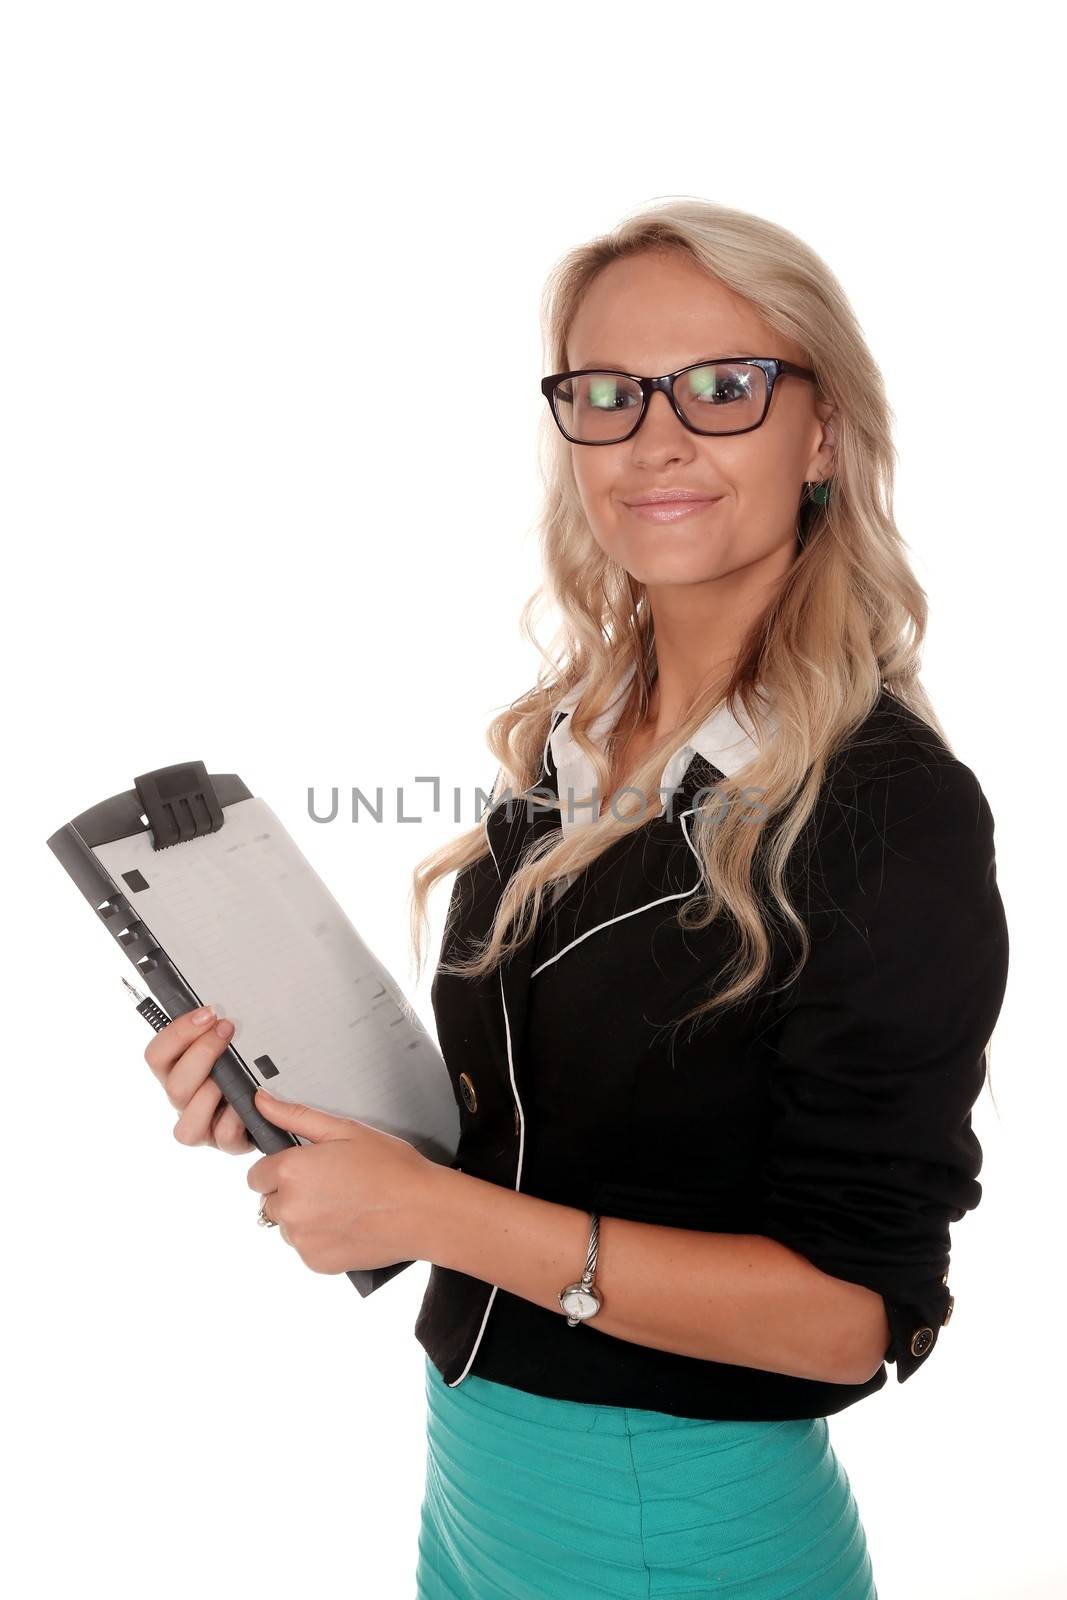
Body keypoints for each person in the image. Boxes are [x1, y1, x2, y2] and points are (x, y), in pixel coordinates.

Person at [144, 200, 1010, 1599]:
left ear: (825, 434)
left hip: (670, 1519)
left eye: (724, 389)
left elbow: (853, 1320)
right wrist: (316, 1127)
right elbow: (566, 1131)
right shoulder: (580, 740)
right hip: (480, 1488)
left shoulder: (884, 809)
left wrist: (433, 1217)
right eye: (608, 395)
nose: (654, 439)